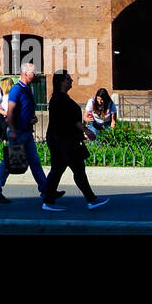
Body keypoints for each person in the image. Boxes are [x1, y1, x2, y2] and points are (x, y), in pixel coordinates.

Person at [0, 62, 55, 204]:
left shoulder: (28, 89)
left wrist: (32, 118)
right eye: (33, 72)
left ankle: (46, 191)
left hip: (26, 131)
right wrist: (12, 130)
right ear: (25, 73)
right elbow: (10, 112)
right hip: (17, 132)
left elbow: (25, 109)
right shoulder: (16, 90)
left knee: (35, 162)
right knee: (10, 161)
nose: (35, 74)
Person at [41, 70, 108, 211]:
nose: (71, 80)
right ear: (61, 82)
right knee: (67, 170)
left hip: (66, 140)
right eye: (68, 79)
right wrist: (86, 130)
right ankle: (49, 200)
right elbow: (70, 121)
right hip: (62, 141)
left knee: (70, 169)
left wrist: (80, 133)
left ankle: (50, 197)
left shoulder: (61, 98)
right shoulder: (59, 99)